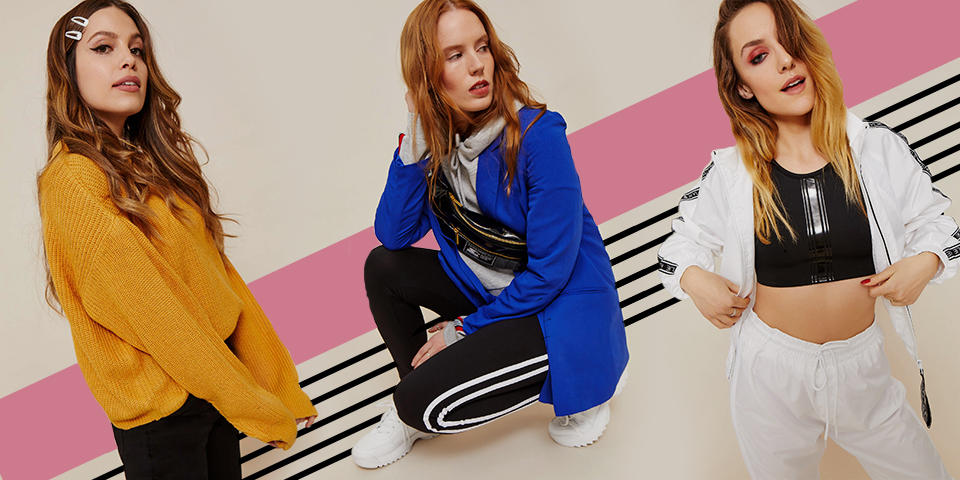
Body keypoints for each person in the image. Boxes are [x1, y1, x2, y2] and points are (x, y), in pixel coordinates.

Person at [658, 0, 958, 478]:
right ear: (742, 86)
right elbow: (677, 249)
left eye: (791, 43)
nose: (784, 61)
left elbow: (942, 226)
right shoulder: (731, 174)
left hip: (863, 365)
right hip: (770, 376)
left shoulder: (876, 147)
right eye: (759, 56)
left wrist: (927, 263)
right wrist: (695, 280)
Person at [38, 1, 317, 477]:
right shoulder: (72, 180)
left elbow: (221, 286)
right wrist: (252, 403)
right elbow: (157, 315)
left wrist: (275, 386)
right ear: (68, 71)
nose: (128, 61)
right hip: (162, 416)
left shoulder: (153, 168)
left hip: (213, 389)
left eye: (137, 49)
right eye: (103, 48)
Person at [351, 0, 629, 469]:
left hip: (556, 308)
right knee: (383, 267)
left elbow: (550, 273)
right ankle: (416, 392)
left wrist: (462, 330)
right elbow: (393, 235)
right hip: (493, 293)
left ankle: (590, 377)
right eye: (455, 55)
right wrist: (415, 140)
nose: (478, 65)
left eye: (482, 47)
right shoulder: (439, 144)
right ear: (427, 76)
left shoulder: (539, 136)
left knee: (421, 404)